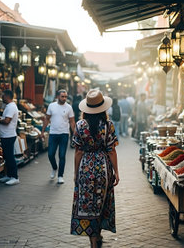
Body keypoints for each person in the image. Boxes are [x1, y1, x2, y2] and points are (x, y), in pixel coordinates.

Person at [70, 89, 119, 248]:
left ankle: (92, 238)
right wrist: (116, 172)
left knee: (87, 204)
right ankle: (98, 234)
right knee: (101, 202)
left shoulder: (80, 125)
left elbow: (78, 152)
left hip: (86, 167)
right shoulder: (108, 125)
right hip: (103, 168)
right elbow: (111, 150)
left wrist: (76, 172)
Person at [41, 90, 75, 184]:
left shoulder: (69, 107)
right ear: (57, 97)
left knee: (62, 155)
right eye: (62, 96)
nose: (64, 98)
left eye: (65, 97)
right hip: (53, 133)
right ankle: (54, 168)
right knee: (50, 154)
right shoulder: (51, 106)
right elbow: (47, 119)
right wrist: (42, 131)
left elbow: (72, 121)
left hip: (64, 134)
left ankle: (60, 176)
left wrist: (75, 134)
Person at [0, 89, 20, 186]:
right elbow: (5, 119)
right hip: (6, 135)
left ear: (7, 96)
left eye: (3, 95)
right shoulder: (9, 106)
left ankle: (15, 177)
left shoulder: (11, 107)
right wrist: (0, 118)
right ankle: (9, 175)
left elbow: (7, 121)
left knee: (9, 156)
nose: (2, 97)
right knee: (7, 156)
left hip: (9, 135)